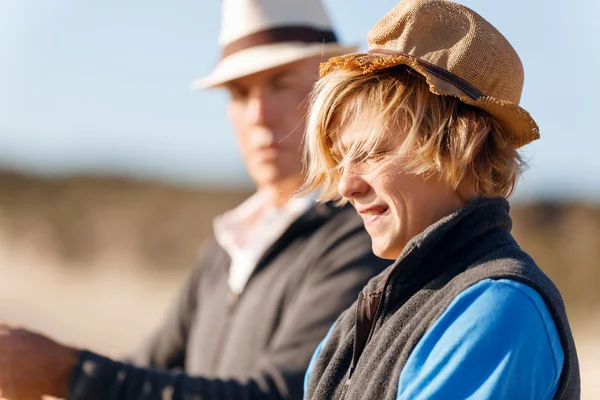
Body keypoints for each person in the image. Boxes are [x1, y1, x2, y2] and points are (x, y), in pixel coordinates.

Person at [0, 1, 389, 399]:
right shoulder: (226, 248)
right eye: (239, 93)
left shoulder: (362, 236)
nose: (258, 113)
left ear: (336, 93)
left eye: (281, 82)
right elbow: (146, 368)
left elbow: (281, 393)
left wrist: (65, 374)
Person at [301, 0, 581, 398]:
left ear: (464, 144)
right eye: (342, 158)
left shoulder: (497, 309)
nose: (346, 185)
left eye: (374, 152)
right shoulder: (362, 316)